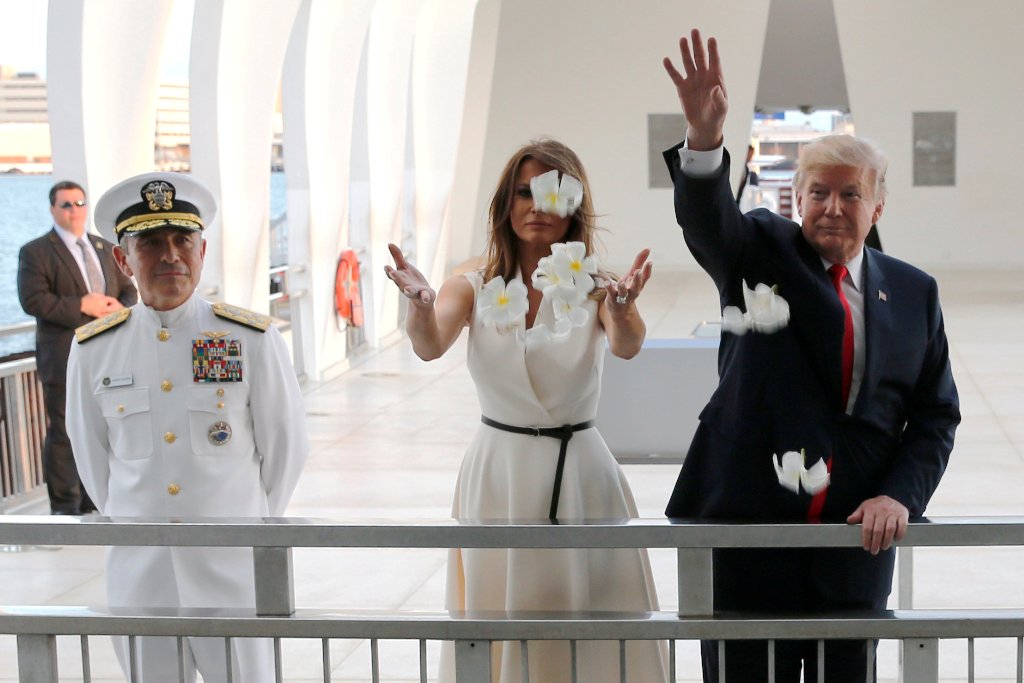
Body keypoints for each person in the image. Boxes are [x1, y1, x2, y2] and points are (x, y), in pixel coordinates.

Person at [661, 29, 960, 683]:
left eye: (850, 193)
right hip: (749, 542)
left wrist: (899, 494)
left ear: (878, 203)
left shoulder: (913, 292)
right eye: (818, 191)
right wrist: (704, 139)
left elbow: (936, 417)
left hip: (855, 549)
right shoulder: (760, 251)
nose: (831, 206)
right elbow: (709, 221)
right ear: (796, 197)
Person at [385, 139, 668, 683]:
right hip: (499, 473)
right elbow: (430, 342)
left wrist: (625, 307)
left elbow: (627, 343)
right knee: (499, 624)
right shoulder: (474, 281)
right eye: (524, 192)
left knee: (592, 627)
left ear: (572, 203)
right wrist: (420, 306)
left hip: (581, 473)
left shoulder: (596, 284)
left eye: (551, 192)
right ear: (505, 205)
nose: (537, 205)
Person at [65, 172, 309, 683]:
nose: (170, 255)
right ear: (121, 259)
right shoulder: (94, 349)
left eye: (183, 240)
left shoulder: (250, 339)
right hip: (142, 577)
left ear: (202, 249)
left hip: (233, 574)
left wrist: (242, 528)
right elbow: (92, 459)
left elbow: (286, 450)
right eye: (150, 242)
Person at [17, 180, 137, 515]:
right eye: (66, 204)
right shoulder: (36, 251)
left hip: (109, 356)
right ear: (53, 209)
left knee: (105, 429)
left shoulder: (103, 247)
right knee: (65, 432)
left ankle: (94, 501)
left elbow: (129, 291)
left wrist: (117, 308)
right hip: (63, 356)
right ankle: (65, 507)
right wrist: (83, 304)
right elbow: (33, 300)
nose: (74, 210)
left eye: (80, 203)